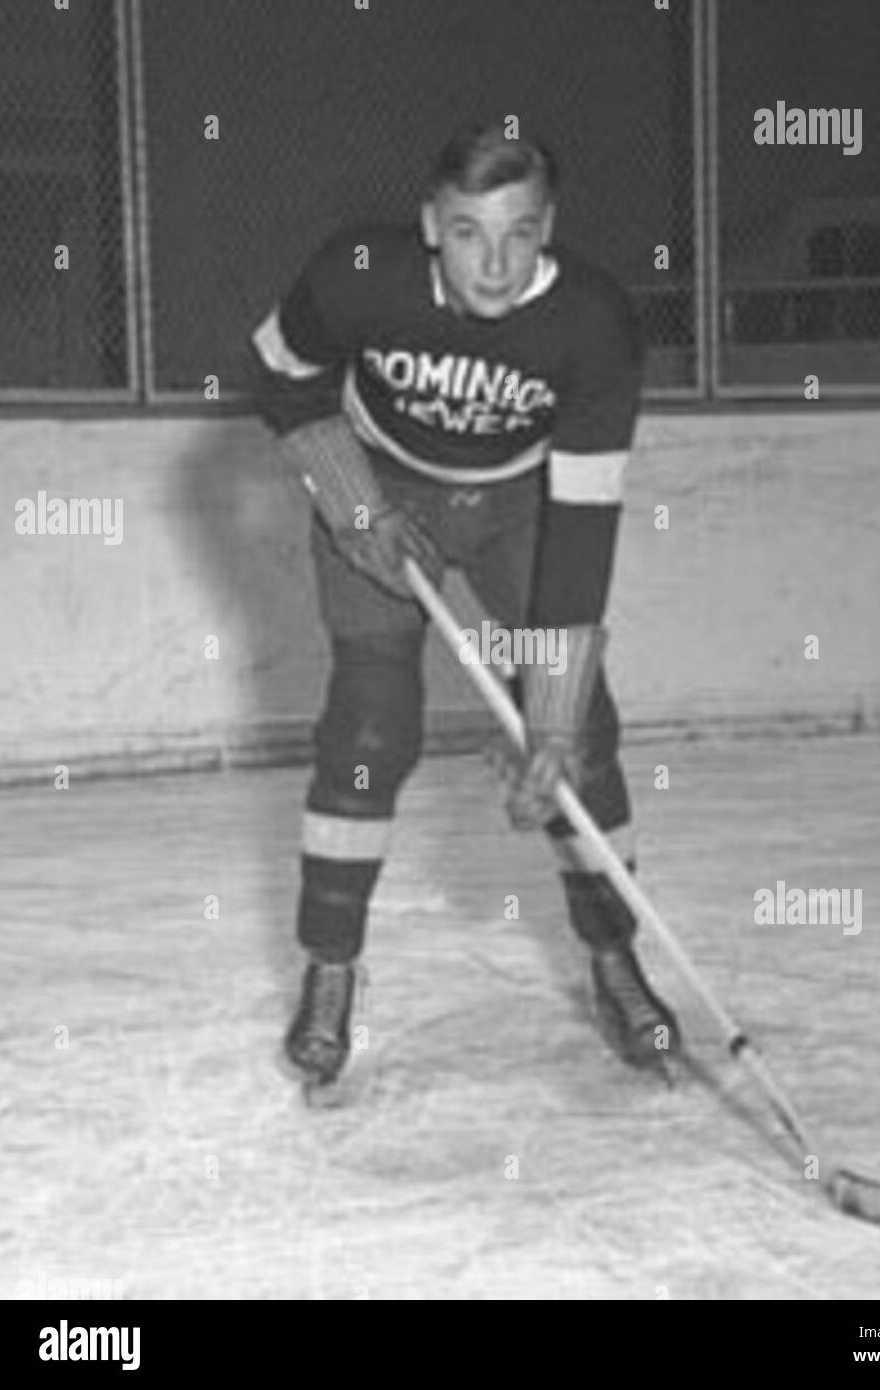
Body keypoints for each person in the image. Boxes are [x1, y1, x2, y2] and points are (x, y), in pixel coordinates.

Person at [250, 120, 680, 1093]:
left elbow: (580, 518)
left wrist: (553, 715)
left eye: (520, 234)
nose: (495, 262)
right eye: (470, 232)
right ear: (430, 225)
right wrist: (351, 503)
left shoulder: (592, 322)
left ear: (548, 228)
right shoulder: (358, 274)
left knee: (585, 736)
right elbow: (276, 376)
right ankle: (329, 966)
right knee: (369, 730)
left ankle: (614, 958)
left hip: (519, 510)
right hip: (381, 493)